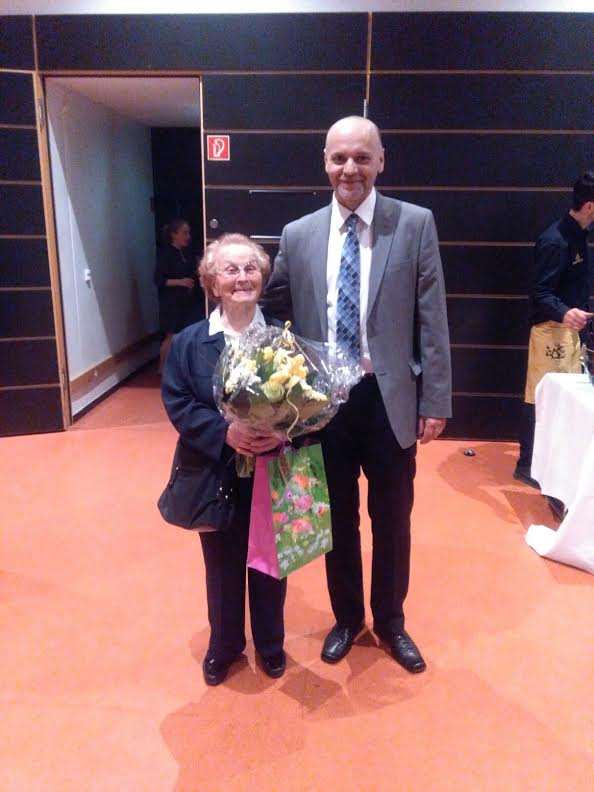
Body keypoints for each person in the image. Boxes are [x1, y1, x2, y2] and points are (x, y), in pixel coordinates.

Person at [262, 116, 451, 673]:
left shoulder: (414, 224)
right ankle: (346, 618)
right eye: (340, 158)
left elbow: (432, 319)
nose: (351, 169)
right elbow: (272, 309)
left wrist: (435, 400)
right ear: (325, 162)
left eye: (362, 158)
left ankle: (390, 621)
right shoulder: (298, 235)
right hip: (322, 405)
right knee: (336, 519)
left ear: (381, 161)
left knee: (393, 521)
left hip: (388, 400)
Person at [161, 233, 286, 686]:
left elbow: (307, 400)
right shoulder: (190, 343)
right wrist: (225, 433)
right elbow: (178, 402)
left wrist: (282, 428)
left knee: (270, 560)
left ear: (262, 277)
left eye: (250, 268)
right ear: (212, 283)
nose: (242, 278)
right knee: (221, 562)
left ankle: (271, 642)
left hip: (272, 465)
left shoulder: (283, 338)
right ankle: (226, 643)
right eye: (230, 270)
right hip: (215, 469)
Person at [514, 171, 594, 488]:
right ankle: (527, 464)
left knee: (564, 399)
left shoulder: (579, 235)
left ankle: (553, 464)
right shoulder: (555, 241)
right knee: (540, 397)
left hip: (570, 330)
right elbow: (540, 292)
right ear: (589, 206)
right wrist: (564, 312)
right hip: (550, 330)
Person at [154, 218, 205, 373]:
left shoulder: (186, 253)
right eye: (184, 233)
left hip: (186, 301)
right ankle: (161, 369)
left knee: (185, 335)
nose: (188, 236)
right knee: (170, 335)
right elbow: (158, 280)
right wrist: (181, 282)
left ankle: (180, 369)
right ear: (174, 234)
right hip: (171, 302)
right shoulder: (165, 254)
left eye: (188, 233)